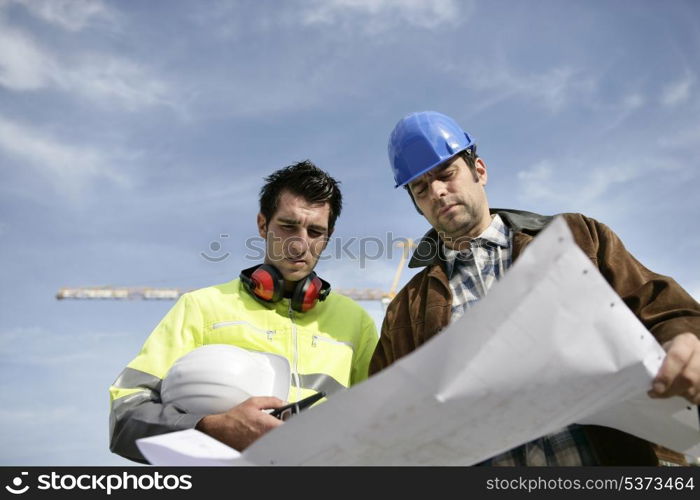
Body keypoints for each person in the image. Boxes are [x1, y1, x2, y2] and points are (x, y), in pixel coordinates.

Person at [371, 111, 700, 466]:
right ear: (418, 206)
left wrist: (683, 339)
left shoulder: (577, 237)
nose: (437, 191)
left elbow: (662, 306)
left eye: (447, 174)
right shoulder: (404, 311)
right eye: (421, 188)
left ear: (479, 170)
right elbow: (383, 418)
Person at [109, 161, 378, 463]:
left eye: (315, 231)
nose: (300, 244)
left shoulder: (357, 323)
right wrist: (209, 428)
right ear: (263, 225)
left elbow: (384, 421)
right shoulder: (200, 307)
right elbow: (126, 417)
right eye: (288, 226)